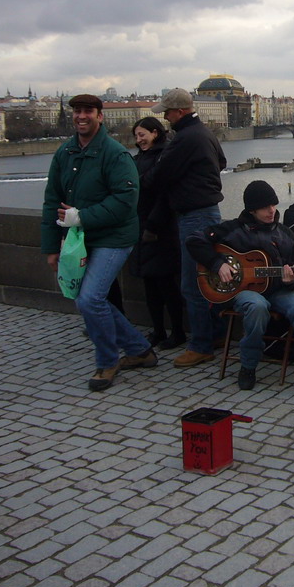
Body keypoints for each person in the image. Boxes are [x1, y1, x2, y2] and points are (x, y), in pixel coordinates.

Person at [41, 94, 155, 392]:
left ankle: (107, 362)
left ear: (99, 116)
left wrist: (82, 217)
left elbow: (126, 202)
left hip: (115, 236)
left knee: (90, 299)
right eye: (77, 111)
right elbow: (52, 201)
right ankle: (140, 350)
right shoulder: (64, 153)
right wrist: (51, 246)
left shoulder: (115, 154)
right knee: (88, 299)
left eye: (88, 111)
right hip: (80, 239)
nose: (82, 116)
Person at [185, 180, 294, 394]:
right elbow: (194, 240)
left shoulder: (285, 233)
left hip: (278, 290)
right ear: (252, 209)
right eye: (265, 207)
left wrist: (292, 280)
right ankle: (248, 367)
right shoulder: (231, 230)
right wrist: (217, 263)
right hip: (243, 292)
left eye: (274, 205)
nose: (272, 211)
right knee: (257, 306)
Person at [144, 88, 226, 367]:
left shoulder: (184, 139)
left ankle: (201, 345)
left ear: (179, 111)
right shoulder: (204, 132)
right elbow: (222, 162)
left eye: (166, 112)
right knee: (207, 280)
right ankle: (214, 334)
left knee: (193, 285)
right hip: (209, 213)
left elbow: (157, 176)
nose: (165, 118)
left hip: (194, 217)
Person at [130, 117, 185, 350]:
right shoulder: (137, 159)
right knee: (149, 283)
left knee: (166, 284)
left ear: (155, 133)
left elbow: (165, 195)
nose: (139, 140)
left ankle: (178, 332)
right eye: (136, 136)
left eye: (142, 135)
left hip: (160, 229)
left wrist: (153, 225)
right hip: (140, 226)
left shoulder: (165, 157)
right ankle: (158, 331)